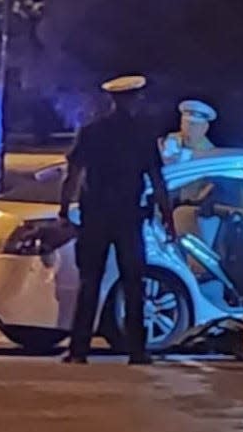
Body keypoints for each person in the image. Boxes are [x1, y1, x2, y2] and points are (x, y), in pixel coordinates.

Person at [59, 75, 175, 365]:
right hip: (127, 217)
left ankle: (78, 350)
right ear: (132, 99)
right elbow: (157, 180)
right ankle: (137, 351)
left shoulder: (91, 131)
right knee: (134, 283)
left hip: (95, 217)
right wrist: (168, 217)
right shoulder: (142, 134)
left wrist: (63, 210)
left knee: (90, 282)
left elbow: (72, 175)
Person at [160, 99, 218, 164]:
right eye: (187, 123)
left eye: (195, 125)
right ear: (181, 124)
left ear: (204, 128)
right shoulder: (172, 138)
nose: (189, 128)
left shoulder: (209, 151)